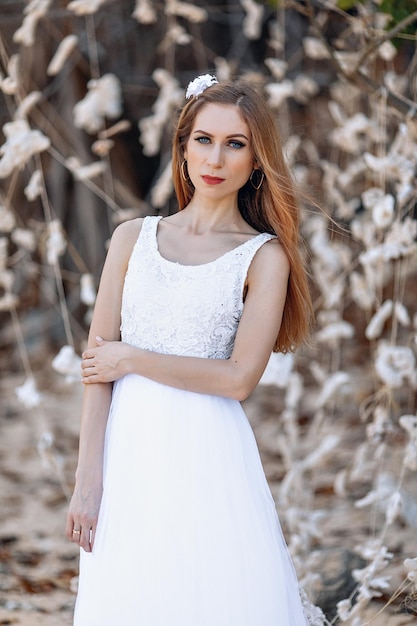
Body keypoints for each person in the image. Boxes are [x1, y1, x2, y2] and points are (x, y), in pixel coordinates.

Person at [66, 73, 314, 625]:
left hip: (209, 456)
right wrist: (88, 480)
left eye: (235, 144)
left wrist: (133, 359)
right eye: (203, 139)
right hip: (128, 454)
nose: (216, 159)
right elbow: (95, 370)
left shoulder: (262, 257)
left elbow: (237, 379)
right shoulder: (131, 238)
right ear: (181, 147)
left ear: (256, 160)